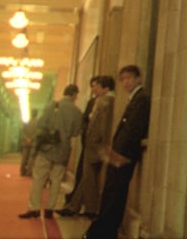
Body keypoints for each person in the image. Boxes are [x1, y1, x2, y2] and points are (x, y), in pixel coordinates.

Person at [84, 64, 149, 239]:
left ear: (138, 79)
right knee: (111, 190)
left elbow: (134, 128)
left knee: (116, 192)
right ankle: (104, 228)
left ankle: (107, 230)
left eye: (129, 78)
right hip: (118, 153)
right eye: (122, 80)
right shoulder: (133, 98)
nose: (125, 82)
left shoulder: (141, 98)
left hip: (125, 155)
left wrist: (120, 153)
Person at [20, 84, 86, 219]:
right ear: (75, 95)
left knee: (39, 178)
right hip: (63, 149)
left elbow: (41, 124)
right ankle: (50, 208)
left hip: (47, 147)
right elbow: (77, 132)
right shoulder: (77, 111)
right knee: (56, 179)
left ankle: (34, 208)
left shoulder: (53, 105)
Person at [59, 74, 114, 218]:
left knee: (89, 178)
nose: (94, 90)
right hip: (90, 145)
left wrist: (102, 146)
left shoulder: (107, 102)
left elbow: (104, 127)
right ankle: (76, 207)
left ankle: (88, 208)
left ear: (104, 88)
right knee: (86, 178)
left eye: (96, 87)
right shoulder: (95, 102)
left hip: (96, 146)